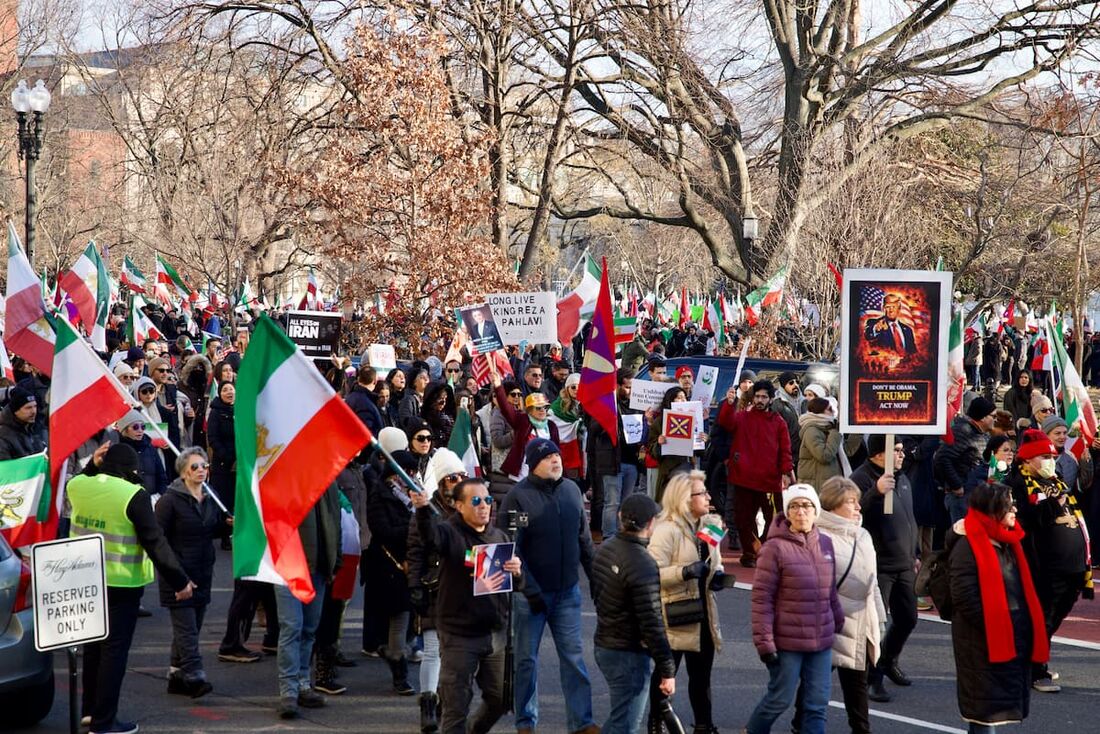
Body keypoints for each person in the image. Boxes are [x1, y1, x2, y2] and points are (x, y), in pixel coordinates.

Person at [69, 444, 195, 734]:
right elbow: (154, 541)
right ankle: (104, 722)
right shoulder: (133, 495)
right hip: (121, 582)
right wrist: (180, 581)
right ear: (132, 469)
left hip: (84, 580)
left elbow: (84, 476)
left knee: (92, 649)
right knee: (113, 653)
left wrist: (93, 464)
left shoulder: (78, 486)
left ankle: (90, 712)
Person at [498, 438, 598, 734]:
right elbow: (510, 549)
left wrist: (596, 580)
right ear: (533, 464)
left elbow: (584, 540)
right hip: (529, 597)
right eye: (548, 457)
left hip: (568, 593)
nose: (556, 460)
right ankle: (525, 722)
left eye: (557, 455)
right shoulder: (517, 498)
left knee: (574, 659)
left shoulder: (572, 490)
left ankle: (581, 722)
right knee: (526, 661)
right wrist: (528, 589)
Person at [410, 477, 522, 734]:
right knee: (456, 708)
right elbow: (430, 538)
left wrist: (517, 573)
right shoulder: (449, 532)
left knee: (500, 699)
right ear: (459, 506)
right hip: (459, 635)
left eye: (488, 500)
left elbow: (514, 585)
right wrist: (423, 510)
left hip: (494, 635)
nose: (484, 506)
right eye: (476, 501)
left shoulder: (499, 536)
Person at [946, 481, 1049, 733]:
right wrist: (998, 625)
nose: (1015, 510)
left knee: (988, 713)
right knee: (985, 715)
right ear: (992, 510)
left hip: (1008, 636)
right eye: (1008, 506)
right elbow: (964, 597)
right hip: (981, 642)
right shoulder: (968, 545)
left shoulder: (1007, 539)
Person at [745, 484, 844, 734]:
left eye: (807, 505)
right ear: (787, 512)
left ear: (816, 510)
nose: (801, 511)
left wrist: (838, 620)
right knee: (779, 699)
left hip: (821, 640)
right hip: (787, 642)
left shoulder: (825, 543)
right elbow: (762, 599)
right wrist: (764, 642)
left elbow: (830, 589)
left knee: (817, 705)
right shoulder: (774, 548)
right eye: (795, 506)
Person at [793, 477, 885, 734]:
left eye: (857, 501)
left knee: (856, 684)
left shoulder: (863, 535)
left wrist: (879, 618)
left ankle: (860, 729)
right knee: (815, 681)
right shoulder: (818, 537)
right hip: (830, 624)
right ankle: (799, 724)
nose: (858, 507)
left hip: (860, 622)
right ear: (833, 504)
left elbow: (872, 582)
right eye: (851, 502)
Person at [1005, 429, 1091, 693]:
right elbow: (1025, 520)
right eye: (1044, 457)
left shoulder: (1056, 480)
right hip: (1045, 567)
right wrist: (1052, 504)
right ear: (1027, 460)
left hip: (1072, 566)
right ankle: (1034, 669)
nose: (1050, 461)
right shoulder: (1018, 485)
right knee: (1042, 618)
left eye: (1051, 457)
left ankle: (1035, 661)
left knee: (1053, 617)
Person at [647, 470, 729, 734]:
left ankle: (704, 726)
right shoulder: (666, 530)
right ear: (684, 498)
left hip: (704, 610)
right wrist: (684, 572)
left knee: (702, 674)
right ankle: (656, 722)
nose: (708, 497)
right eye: (702, 493)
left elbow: (715, 562)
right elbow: (652, 573)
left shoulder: (710, 524)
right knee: (666, 672)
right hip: (676, 611)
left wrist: (718, 575)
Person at [593, 494, 676, 734]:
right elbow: (652, 621)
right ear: (650, 523)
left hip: (605, 642)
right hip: (628, 652)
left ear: (620, 517)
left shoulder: (605, 548)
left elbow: (596, 594)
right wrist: (668, 670)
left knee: (620, 717)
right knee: (625, 724)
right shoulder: (643, 563)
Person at [155, 448, 227, 699]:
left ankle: (176, 675)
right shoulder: (169, 501)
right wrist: (176, 578)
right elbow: (158, 540)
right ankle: (195, 675)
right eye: (195, 467)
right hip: (178, 575)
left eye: (204, 466)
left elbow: (211, 530)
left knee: (191, 627)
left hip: (203, 572)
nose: (201, 470)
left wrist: (226, 526)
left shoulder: (210, 496)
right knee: (187, 630)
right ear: (183, 471)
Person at [850, 436, 918, 702]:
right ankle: (872, 679)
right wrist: (875, 492)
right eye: (897, 450)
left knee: (908, 618)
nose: (902, 455)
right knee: (875, 624)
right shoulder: (861, 478)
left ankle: (888, 660)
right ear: (879, 454)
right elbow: (853, 515)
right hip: (878, 565)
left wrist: (913, 553)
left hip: (904, 562)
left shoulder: (902, 477)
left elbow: (909, 519)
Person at [407, 450, 467, 733]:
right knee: (432, 650)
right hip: (434, 588)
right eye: (452, 478)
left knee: (454, 652)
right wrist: (415, 586)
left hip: (463, 590)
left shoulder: (471, 507)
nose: (458, 482)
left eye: (461, 476)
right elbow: (415, 551)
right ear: (442, 482)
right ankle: (428, 706)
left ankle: (444, 698)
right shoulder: (426, 510)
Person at [275, 481, 341, 719]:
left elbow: (335, 523)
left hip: (319, 568)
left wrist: (335, 561)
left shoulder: (329, 482)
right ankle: (289, 691)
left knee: (309, 629)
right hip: (289, 566)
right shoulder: (287, 479)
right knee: (292, 626)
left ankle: (302, 683)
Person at [717, 379, 795, 568]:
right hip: (743, 478)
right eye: (757, 396)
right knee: (743, 520)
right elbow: (726, 423)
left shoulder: (779, 422)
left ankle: (764, 550)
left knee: (775, 520)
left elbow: (785, 450)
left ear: (771, 399)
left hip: (769, 481)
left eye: (764, 397)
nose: (760, 400)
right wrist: (729, 404)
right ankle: (751, 552)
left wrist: (786, 472)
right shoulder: (742, 417)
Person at [364, 449, 419, 696]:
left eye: (413, 471)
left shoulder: (415, 495)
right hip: (389, 565)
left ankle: (392, 653)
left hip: (412, 562)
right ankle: (400, 672)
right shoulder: (380, 495)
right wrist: (412, 527)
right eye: (406, 471)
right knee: (399, 616)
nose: (410, 476)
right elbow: (383, 531)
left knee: (409, 619)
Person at [492, 371, 560, 483]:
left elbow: (557, 451)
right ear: (530, 410)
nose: (542, 410)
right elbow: (505, 408)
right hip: (522, 473)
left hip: (544, 471)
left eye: (545, 407)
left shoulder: (551, 426)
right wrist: (498, 386)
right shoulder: (522, 421)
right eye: (538, 408)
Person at [936, 396, 996, 506]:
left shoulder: (981, 433)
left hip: (976, 492)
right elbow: (942, 457)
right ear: (983, 417)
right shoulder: (963, 431)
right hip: (962, 496)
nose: (995, 420)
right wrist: (956, 485)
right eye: (993, 416)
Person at [956, 435, 1016, 524]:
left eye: (1012, 451)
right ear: (993, 452)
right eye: (1006, 450)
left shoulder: (1015, 472)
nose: (1010, 453)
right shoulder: (980, 473)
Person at [647, 385, 690, 500]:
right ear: (670, 401)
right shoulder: (660, 422)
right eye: (679, 398)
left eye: (684, 398)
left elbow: (700, 451)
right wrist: (658, 443)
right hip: (668, 471)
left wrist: (702, 439)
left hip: (687, 469)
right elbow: (651, 449)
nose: (683, 401)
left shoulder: (693, 419)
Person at [114, 411, 168, 500]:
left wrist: (161, 495)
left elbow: (161, 475)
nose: (140, 430)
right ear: (125, 429)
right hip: (130, 500)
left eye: (143, 427)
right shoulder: (118, 450)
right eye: (135, 427)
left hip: (153, 498)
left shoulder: (150, 447)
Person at [797, 398, 843, 488]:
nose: (833, 412)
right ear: (820, 411)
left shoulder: (826, 428)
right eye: (830, 409)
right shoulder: (812, 431)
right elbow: (824, 456)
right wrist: (835, 433)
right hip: (816, 485)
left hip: (824, 483)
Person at [548, 373, 585, 481]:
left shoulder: (585, 404)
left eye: (579, 387)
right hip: (565, 449)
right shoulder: (557, 407)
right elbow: (552, 426)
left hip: (581, 446)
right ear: (567, 388)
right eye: (573, 387)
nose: (576, 390)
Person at [0, 386, 47, 460]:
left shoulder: (35, 429)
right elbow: (5, 465)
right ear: (15, 411)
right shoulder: (3, 437)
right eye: (28, 408)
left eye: (35, 406)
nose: (33, 411)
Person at [346, 365, 385, 437]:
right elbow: (367, 435)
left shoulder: (350, 397)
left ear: (359, 379)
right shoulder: (365, 404)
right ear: (375, 381)